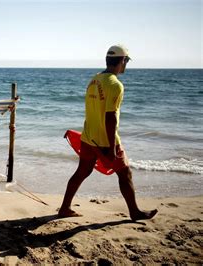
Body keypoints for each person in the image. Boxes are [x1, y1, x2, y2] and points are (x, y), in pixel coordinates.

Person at [58, 45, 158, 221]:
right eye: (126, 60)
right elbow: (110, 118)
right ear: (122, 61)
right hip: (105, 140)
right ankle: (134, 212)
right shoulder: (115, 85)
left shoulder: (94, 80)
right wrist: (111, 148)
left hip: (89, 136)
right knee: (125, 173)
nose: (126, 64)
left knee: (81, 172)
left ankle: (65, 208)